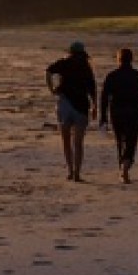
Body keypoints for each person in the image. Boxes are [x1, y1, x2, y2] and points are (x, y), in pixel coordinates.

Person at [99, 47, 138, 183]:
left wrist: (103, 117)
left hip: (117, 111)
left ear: (118, 59)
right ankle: (125, 166)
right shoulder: (137, 75)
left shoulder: (112, 76)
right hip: (134, 110)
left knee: (120, 140)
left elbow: (104, 98)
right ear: (131, 59)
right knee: (131, 140)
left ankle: (123, 167)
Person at [46, 40, 97, 182]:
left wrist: (51, 89)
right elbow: (92, 88)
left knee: (66, 140)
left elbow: (48, 71)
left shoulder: (64, 62)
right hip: (81, 105)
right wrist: (95, 106)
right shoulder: (86, 67)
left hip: (64, 103)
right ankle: (77, 173)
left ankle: (69, 170)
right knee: (78, 142)